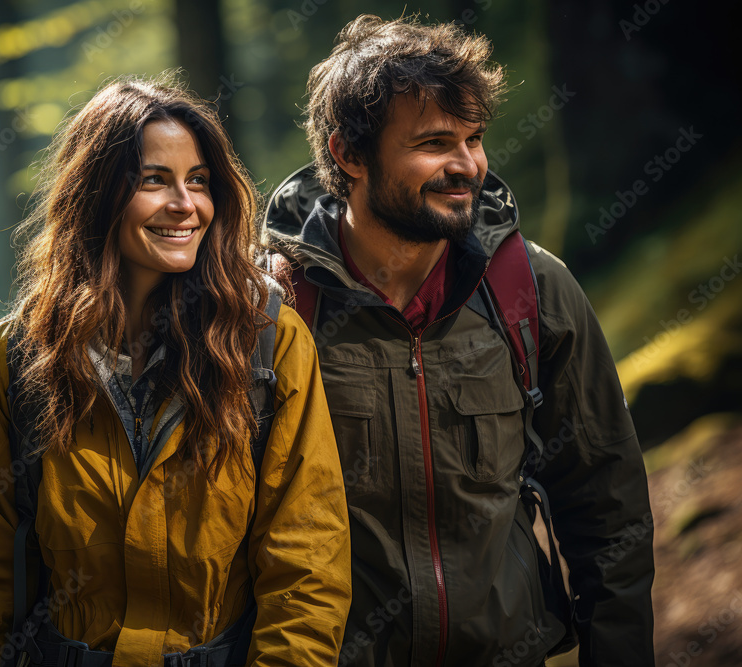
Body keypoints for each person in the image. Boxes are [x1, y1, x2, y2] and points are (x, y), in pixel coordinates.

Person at [262, 15, 655, 667]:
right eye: (435, 142)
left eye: (474, 139)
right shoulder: (276, 309)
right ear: (348, 154)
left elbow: (608, 508)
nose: (466, 164)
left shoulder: (533, 290)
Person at [0, 75, 352, 667]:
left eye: (199, 181)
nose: (185, 204)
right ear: (96, 194)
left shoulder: (267, 342)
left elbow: (307, 569)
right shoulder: (14, 361)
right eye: (155, 180)